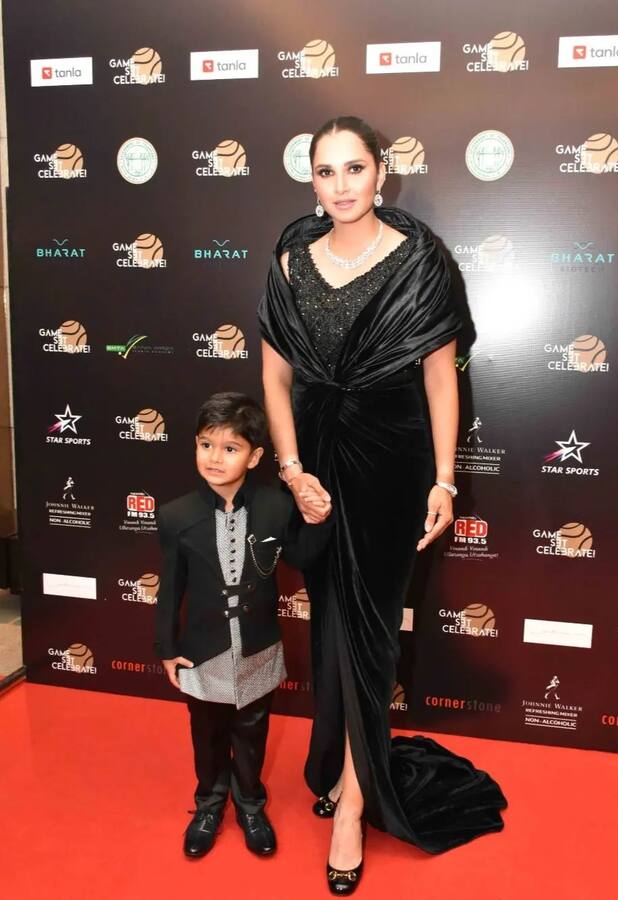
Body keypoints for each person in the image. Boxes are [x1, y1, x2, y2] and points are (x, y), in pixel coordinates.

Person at [259, 116, 506, 894]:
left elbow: (441, 378)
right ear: (311, 179)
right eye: (325, 171)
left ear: (381, 171)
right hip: (314, 464)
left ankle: (353, 805)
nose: (341, 185)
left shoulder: (419, 260)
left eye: (354, 168)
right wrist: (291, 469)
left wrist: (444, 479)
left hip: (394, 466)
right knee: (333, 623)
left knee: (369, 632)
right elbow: (274, 377)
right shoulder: (291, 259)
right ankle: (339, 760)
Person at [154, 392, 333, 860]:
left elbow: (302, 557)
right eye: (205, 445)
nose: (215, 458)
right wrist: (167, 648)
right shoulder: (175, 515)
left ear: (254, 457)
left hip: (257, 647)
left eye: (230, 448)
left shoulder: (276, 506)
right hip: (203, 651)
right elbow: (170, 589)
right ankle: (209, 806)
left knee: (252, 734)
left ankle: (251, 805)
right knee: (207, 735)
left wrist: (320, 521)